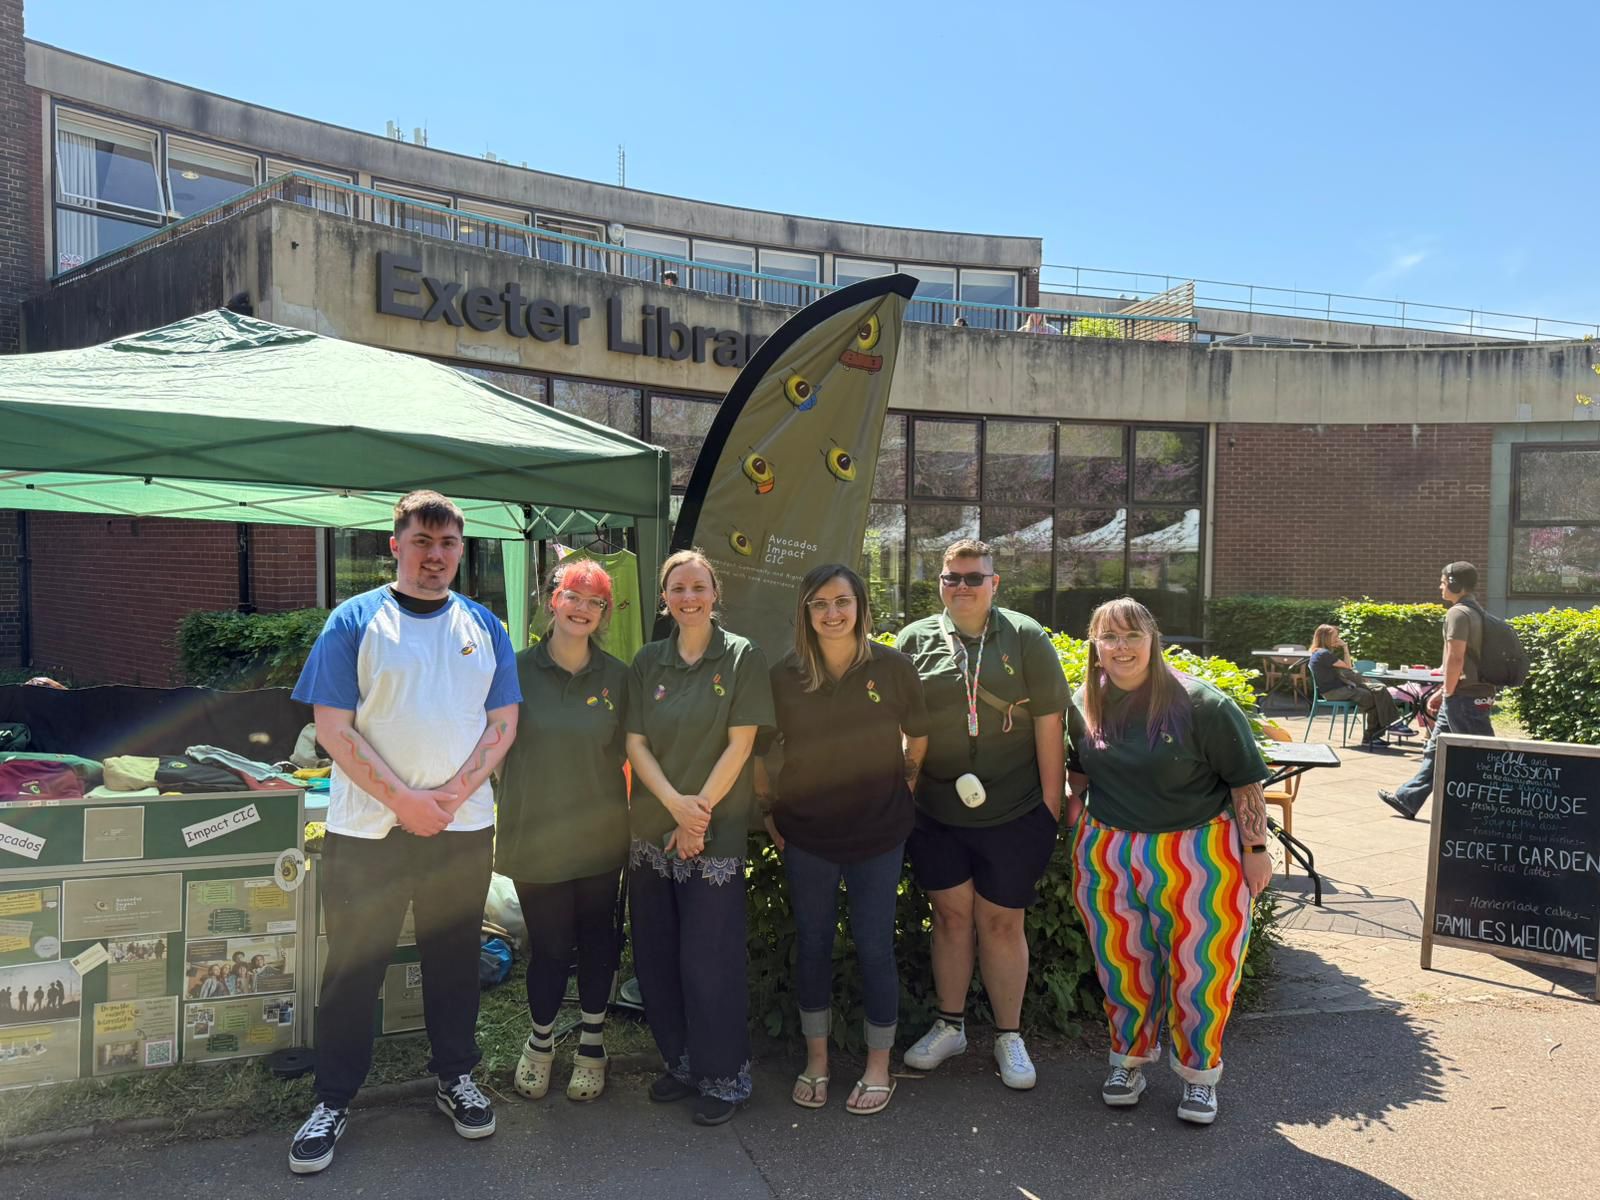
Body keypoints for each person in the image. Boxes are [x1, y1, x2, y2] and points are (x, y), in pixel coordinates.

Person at [286, 490, 521, 1176]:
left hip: (461, 827)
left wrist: (445, 798)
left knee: (455, 964)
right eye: (422, 542)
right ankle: (333, 1100)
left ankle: (456, 1078)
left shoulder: (485, 626)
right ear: (395, 544)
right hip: (368, 834)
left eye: (448, 545)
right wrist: (404, 801)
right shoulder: (354, 621)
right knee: (353, 971)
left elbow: (502, 723)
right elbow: (333, 729)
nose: (436, 557)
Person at [1067, 597, 1272, 1126]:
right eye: (1108, 637)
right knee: (1122, 965)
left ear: (1153, 638)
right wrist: (1068, 816)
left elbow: (1245, 784)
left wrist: (1255, 851)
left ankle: (1199, 1076)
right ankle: (1128, 1062)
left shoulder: (1202, 704)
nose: (1121, 647)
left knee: (1202, 970)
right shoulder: (1083, 703)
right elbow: (1081, 774)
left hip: (1198, 853)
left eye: (1132, 635)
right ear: (1094, 644)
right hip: (1110, 853)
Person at [893, 539, 1068, 1090]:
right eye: (952, 578)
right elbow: (900, 728)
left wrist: (1049, 809)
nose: (962, 587)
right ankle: (951, 1026)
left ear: (995, 583)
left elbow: (1050, 723)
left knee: (1001, 921)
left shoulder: (1026, 636)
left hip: (1016, 810)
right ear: (939, 583)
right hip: (936, 811)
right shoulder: (915, 640)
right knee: (949, 918)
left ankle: (1009, 1035)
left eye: (974, 578)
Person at [757, 564, 929, 1115]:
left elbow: (919, 738)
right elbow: (760, 752)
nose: (832, 614)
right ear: (804, 613)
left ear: (860, 607)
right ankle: (818, 1061)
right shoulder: (784, 675)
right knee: (813, 946)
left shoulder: (894, 667)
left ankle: (879, 1067)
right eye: (819, 604)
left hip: (879, 834)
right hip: (807, 833)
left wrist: (903, 781)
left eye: (842, 602)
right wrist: (768, 812)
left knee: (875, 947)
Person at [624, 549, 774, 1127]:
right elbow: (635, 744)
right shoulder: (647, 661)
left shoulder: (741, 657)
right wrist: (673, 808)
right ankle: (682, 1064)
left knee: (707, 961)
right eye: (677, 589)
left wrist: (697, 817)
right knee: (658, 956)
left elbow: (741, 743)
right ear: (665, 599)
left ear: (715, 593)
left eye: (698, 587)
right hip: (652, 829)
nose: (688, 597)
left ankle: (724, 1077)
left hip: (715, 835)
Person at [497, 559, 631, 1105]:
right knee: (550, 948)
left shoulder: (619, 677)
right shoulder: (515, 669)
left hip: (600, 836)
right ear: (553, 600)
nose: (582, 608)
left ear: (603, 614)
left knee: (599, 942)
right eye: (573, 596)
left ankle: (594, 1044)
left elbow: (634, 752)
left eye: (595, 601)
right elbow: (493, 744)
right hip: (537, 834)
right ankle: (541, 1042)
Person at [1380, 562, 1497, 819]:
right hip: (1464, 693)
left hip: (1464, 696)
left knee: (1483, 756)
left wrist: (1448, 692)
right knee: (1435, 750)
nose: (1440, 586)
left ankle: (1497, 810)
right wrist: (1442, 692)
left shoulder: (1458, 613)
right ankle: (1407, 798)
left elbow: (1456, 658)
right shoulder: (1477, 611)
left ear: (1455, 583)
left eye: (1443, 581)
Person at [1307, 625, 1405, 748]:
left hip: (1338, 689)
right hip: (1333, 692)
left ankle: (1383, 730)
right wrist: (1345, 647)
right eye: (1335, 637)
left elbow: (1346, 669)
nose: (1337, 639)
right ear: (1326, 638)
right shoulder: (1323, 653)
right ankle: (1382, 731)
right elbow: (1348, 666)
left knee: (1377, 692)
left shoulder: (1320, 652)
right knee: (1373, 698)